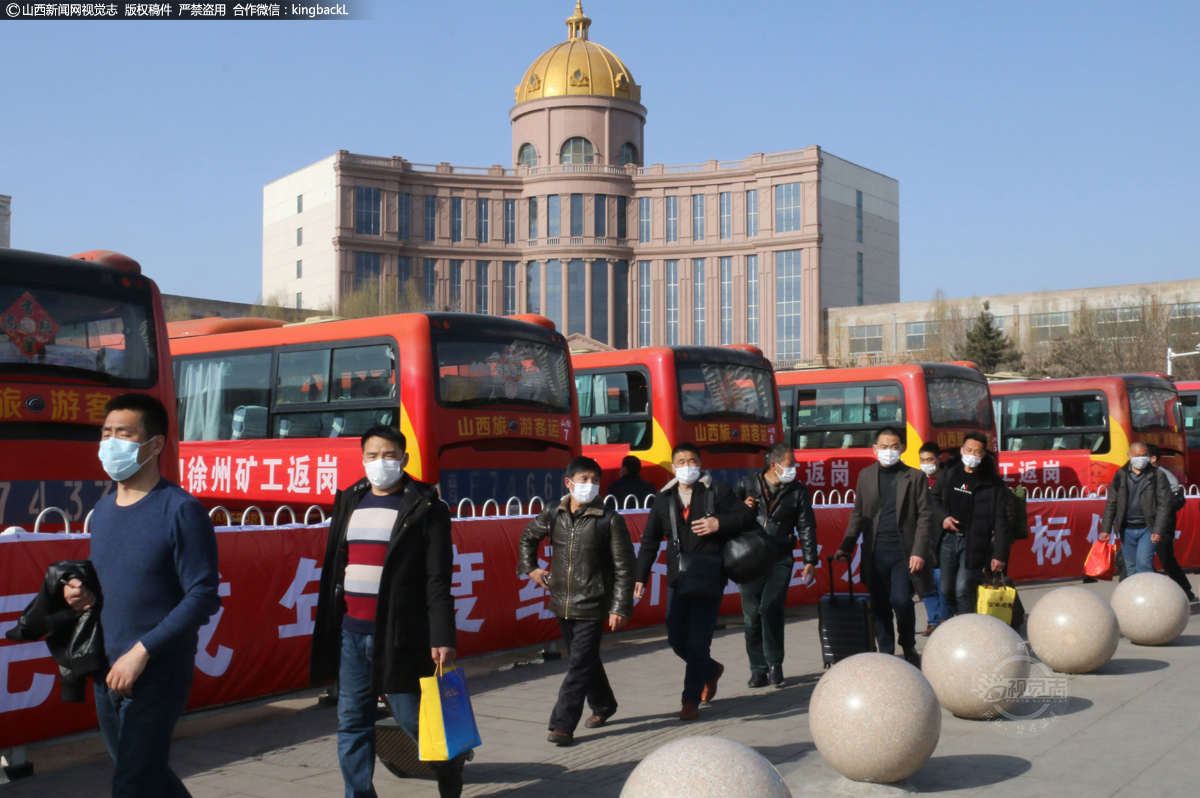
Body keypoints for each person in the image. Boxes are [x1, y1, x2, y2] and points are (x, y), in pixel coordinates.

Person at [63, 394, 221, 797]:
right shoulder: (104, 510)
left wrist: (141, 652)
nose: (111, 442)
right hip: (107, 668)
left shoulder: (181, 510)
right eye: (106, 433)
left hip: (156, 672)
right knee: (145, 775)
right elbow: (113, 583)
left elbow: (202, 595)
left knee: (131, 783)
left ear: (154, 445)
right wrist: (82, 594)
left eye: (124, 433)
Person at [310, 425, 465, 798]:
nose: (382, 462)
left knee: (416, 721)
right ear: (362, 460)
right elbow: (337, 565)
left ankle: (449, 768)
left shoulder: (427, 507)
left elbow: (437, 578)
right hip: (351, 633)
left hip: (401, 634)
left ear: (405, 459)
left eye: (390, 454)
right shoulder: (350, 499)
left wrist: (442, 635)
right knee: (352, 723)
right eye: (373, 455)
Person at [518, 456, 636, 745]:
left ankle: (562, 725)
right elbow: (527, 538)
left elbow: (625, 567)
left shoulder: (609, 519)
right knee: (584, 660)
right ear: (568, 483)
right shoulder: (552, 513)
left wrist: (620, 606)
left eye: (595, 480)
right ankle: (604, 704)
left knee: (578, 665)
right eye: (584, 480)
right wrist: (531, 569)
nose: (590, 486)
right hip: (561, 600)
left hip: (593, 603)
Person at [634, 442, 755, 721]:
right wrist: (640, 576)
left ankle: (690, 699)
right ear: (673, 467)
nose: (687, 466)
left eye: (692, 461)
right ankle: (711, 670)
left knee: (698, 640)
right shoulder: (663, 498)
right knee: (677, 638)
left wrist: (718, 523)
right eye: (681, 462)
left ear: (699, 464)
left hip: (710, 576)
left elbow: (746, 516)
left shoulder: (718, 491)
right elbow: (650, 540)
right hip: (679, 579)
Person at [834, 427, 932, 666]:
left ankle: (908, 644)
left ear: (902, 448)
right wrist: (846, 546)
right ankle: (886, 653)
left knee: (901, 600)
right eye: (884, 447)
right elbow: (858, 514)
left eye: (894, 446)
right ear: (875, 449)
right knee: (879, 605)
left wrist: (919, 551)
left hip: (904, 552)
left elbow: (924, 516)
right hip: (875, 552)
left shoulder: (915, 476)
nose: (889, 451)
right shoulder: (866, 475)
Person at [734, 442, 817, 688]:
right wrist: (742, 509)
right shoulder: (745, 485)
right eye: (791, 464)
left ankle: (775, 663)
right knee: (751, 615)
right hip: (748, 558)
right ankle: (757, 669)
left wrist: (810, 559)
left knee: (770, 608)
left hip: (780, 556)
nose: (794, 469)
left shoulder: (798, 491)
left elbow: (806, 526)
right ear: (774, 464)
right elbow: (725, 517)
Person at [929, 432, 1011, 619]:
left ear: (983, 455)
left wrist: (999, 555)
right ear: (961, 450)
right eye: (969, 450)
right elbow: (933, 497)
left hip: (974, 542)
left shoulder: (993, 484)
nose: (972, 455)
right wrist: (944, 518)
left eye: (977, 452)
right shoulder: (950, 472)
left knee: (962, 589)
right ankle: (963, 620)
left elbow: (1001, 521)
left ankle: (968, 628)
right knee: (947, 589)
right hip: (948, 540)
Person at [1100, 442, 1173, 578]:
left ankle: (1149, 597)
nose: (1141, 459)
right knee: (1131, 567)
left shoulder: (1157, 475)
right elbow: (1112, 502)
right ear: (1129, 456)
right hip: (1126, 528)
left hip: (1148, 528)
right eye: (1137, 455)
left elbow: (1164, 505)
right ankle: (1134, 598)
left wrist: (1158, 529)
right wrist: (1106, 528)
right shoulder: (1121, 475)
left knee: (1144, 565)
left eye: (1144, 455)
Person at [1146, 445, 1196, 601]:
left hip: (1162, 524)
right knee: (1140, 559)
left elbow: (1175, 502)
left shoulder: (1166, 476)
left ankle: (1185, 590)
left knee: (1165, 558)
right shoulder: (1135, 475)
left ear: (1153, 458)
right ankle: (1154, 592)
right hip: (1143, 523)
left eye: (1142, 455)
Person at [917, 442, 948, 636]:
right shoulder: (917, 480)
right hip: (922, 539)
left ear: (938, 459)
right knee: (925, 581)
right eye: (922, 460)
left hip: (945, 538)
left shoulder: (948, 479)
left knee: (942, 581)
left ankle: (943, 618)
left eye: (929, 460)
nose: (926, 464)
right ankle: (932, 619)